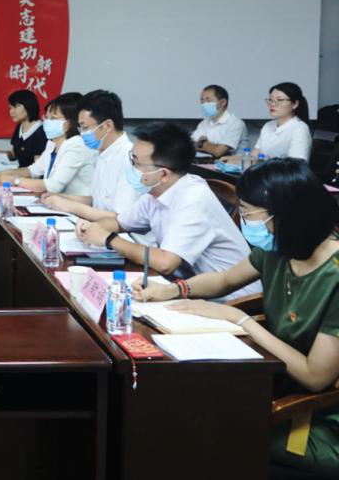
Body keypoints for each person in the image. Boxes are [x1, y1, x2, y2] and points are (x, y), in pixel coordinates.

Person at [132, 159, 339, 476]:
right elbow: (225, 280)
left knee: (195, 429)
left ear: (284, 214)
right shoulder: (281, 247)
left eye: (247, 212)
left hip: (316, 419)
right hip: (272, 385)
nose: (243, 221)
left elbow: (315, 377)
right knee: (172, 407)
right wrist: (174, 290)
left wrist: (242, 320)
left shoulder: (333, 274)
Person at [75, 121, 260, 301]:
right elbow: (119, 222)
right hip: (185, 288)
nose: (130, 168)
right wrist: (92, 228)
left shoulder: (193, 199)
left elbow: (165, 263)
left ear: (163, 174)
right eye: (131, 158)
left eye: (136, 163)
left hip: (232, 299)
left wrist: (109, 239)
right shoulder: (156, 190)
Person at [40, 90, 139, 220]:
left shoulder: (130, 160)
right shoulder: (103, 153)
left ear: (108, 125)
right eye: (80, 128)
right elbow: (95, 200)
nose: (82, 134)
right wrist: (62, 197)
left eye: (85, 127)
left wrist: (71, 206)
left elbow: (121, 219)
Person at [0, 92, 95, 196]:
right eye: (46, 117)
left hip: (73, 202)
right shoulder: (52, 143)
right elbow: (33, 170)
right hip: (53, 199)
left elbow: (53, 185)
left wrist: (14, 180)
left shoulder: (77, 145)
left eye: (53, 118)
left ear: (70, 122)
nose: (47, 121)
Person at [0, 89, 46, 168]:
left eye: (16, 107)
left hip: (29, 175)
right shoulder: (20, 127)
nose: (11, 112)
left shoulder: (42, 131)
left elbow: (38, 169)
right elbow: (13, 155)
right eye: (10, 108)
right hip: (20, 173)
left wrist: (11, 173)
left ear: (29, 105)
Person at [254, 82, 312, 160]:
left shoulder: (300, 129)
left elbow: (295, 164)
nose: (272, 104)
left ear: (295, 104)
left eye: (279, 100)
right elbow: (253, 155)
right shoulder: (268, 125)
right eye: (271, 99)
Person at [191, 84, 248, 158]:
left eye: (208, 101)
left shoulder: (236, 123)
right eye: (202, 101)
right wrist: (209, 147)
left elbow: (218, 152)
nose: (204, 104)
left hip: (231, 164)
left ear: (223, 102)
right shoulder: (205, 122)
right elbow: (189, 144)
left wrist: (202, 143)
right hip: (208, 162)